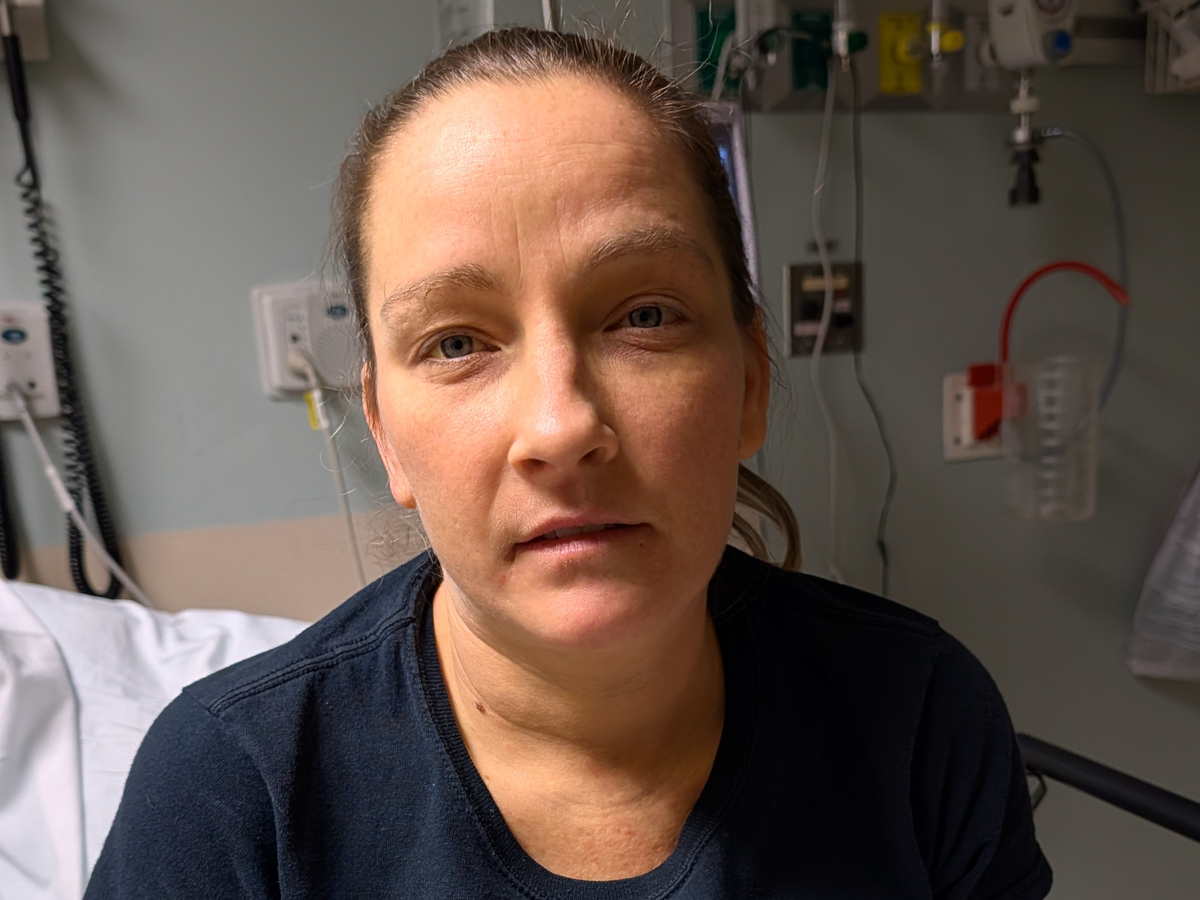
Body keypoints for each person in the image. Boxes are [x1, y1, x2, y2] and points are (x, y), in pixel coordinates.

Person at [86, 28, 1052, 899]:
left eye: (644, 317)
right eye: (457, 343)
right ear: (383, 430)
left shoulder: (921, 719)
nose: (560, 426)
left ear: (751, 382)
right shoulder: (231, 796)